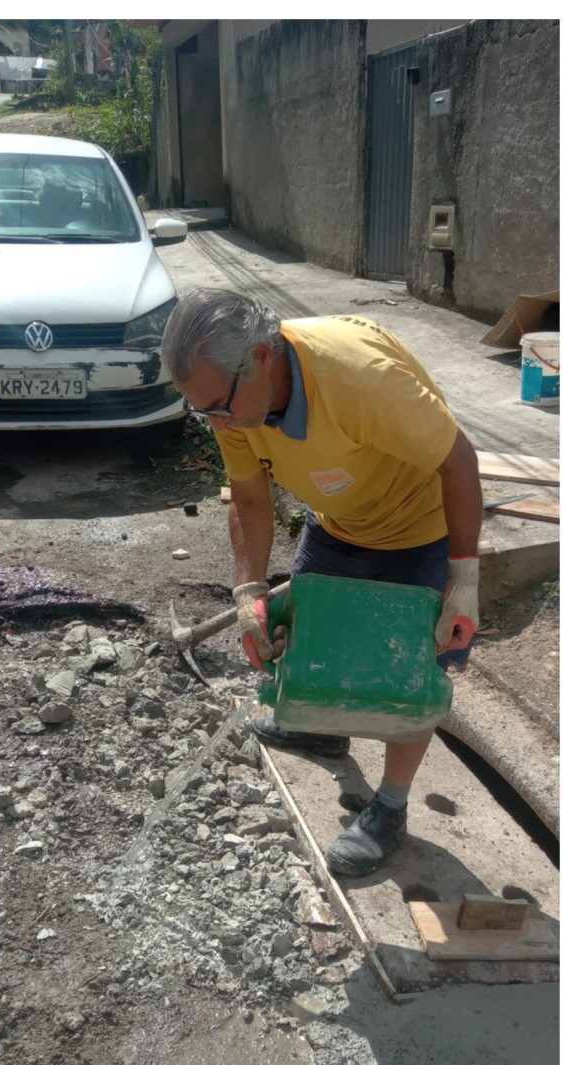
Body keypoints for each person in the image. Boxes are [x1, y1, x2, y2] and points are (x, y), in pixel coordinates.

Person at [160, 288, 483, 878]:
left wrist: (464, 579)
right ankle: (324, 732)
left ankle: (390, 808)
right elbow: (251, 494)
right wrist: (248, 592)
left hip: (418, 525)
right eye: (201, 410)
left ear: (262, 356)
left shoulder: (360, 379)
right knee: (305, 637)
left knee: (407, 675)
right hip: (339, 519)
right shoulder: (231, 401)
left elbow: (458, 460)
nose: (217, 422)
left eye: (220, 407)